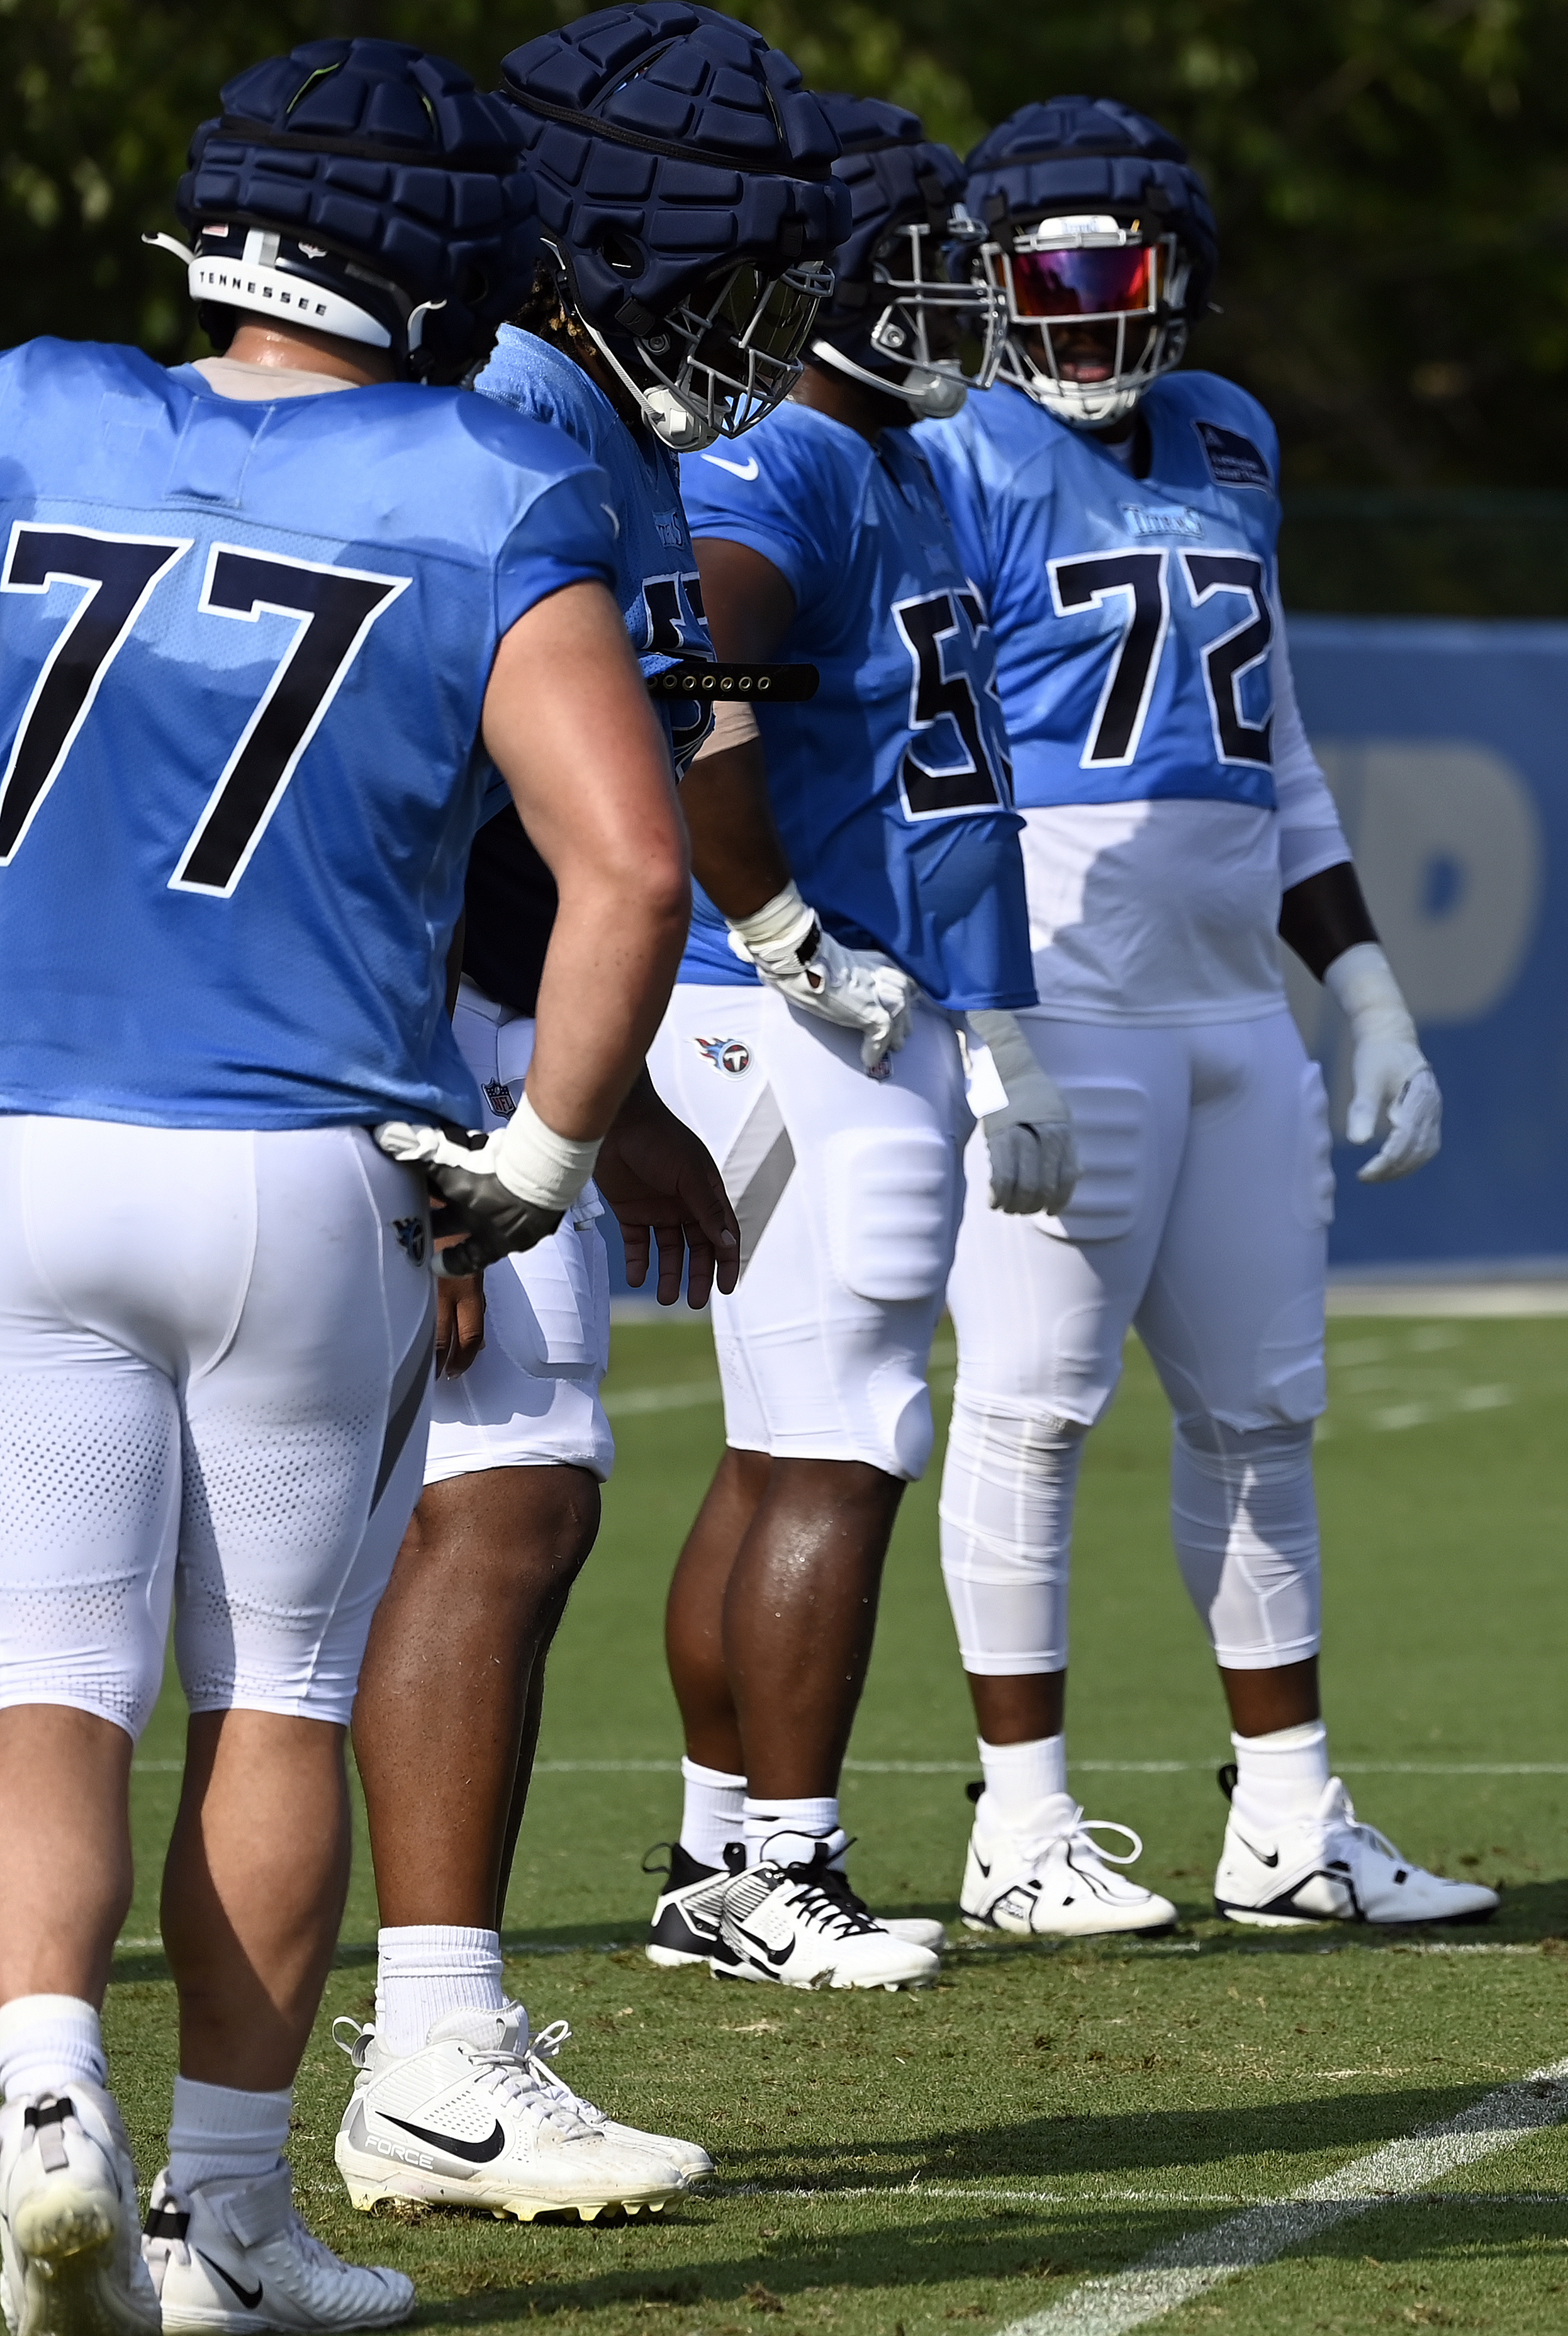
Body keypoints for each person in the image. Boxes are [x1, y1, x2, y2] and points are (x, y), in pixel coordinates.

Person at [0, 35, 690, 2332]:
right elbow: (630, 872)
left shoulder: (32, 408)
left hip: (24, 1144)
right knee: (276, 1694)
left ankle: (33, 2105)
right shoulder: (488, 482)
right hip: (303, 1167)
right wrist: (548, 1154)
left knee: (50, 1681)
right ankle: (220, 2219)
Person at [323, 0, 841, 2228]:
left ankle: (336, 2077)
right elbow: (446, 824)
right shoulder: (508, 430)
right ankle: (420, 2054)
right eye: (725, 265)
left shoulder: (583, 426)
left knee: (478, 1515)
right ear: (612, 234)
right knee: (473, 1510)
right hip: (371, 1036)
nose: (757, 325)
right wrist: (520, 1109)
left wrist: (598, 1091)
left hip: (436, 1023)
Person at [916, 94, 1487, 1936]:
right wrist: (983, 1022)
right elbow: (924, 763)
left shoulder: (1229, 436)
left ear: (1180, 273)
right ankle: (1020, 1827)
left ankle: (1292, 1823)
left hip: (1238, 1008)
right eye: (1041, 272)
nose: (1077, 308)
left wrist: (1373, 988)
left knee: (1261, 1418)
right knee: (1030, 1409)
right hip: (1060, 1002)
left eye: (1112, 266)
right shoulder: (951, 453)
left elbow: (1278, 749)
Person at [638, 92, 1070, 1992]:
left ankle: (713, 1845)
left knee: (776, 1442)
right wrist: (778, 923)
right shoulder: (786, 465)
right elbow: (693, 691)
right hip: (800, 1004)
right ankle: (781, 1867)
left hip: (872, 995)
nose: (959, 301)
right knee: (848, 1435)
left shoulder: (896, 463)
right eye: (923, 267)